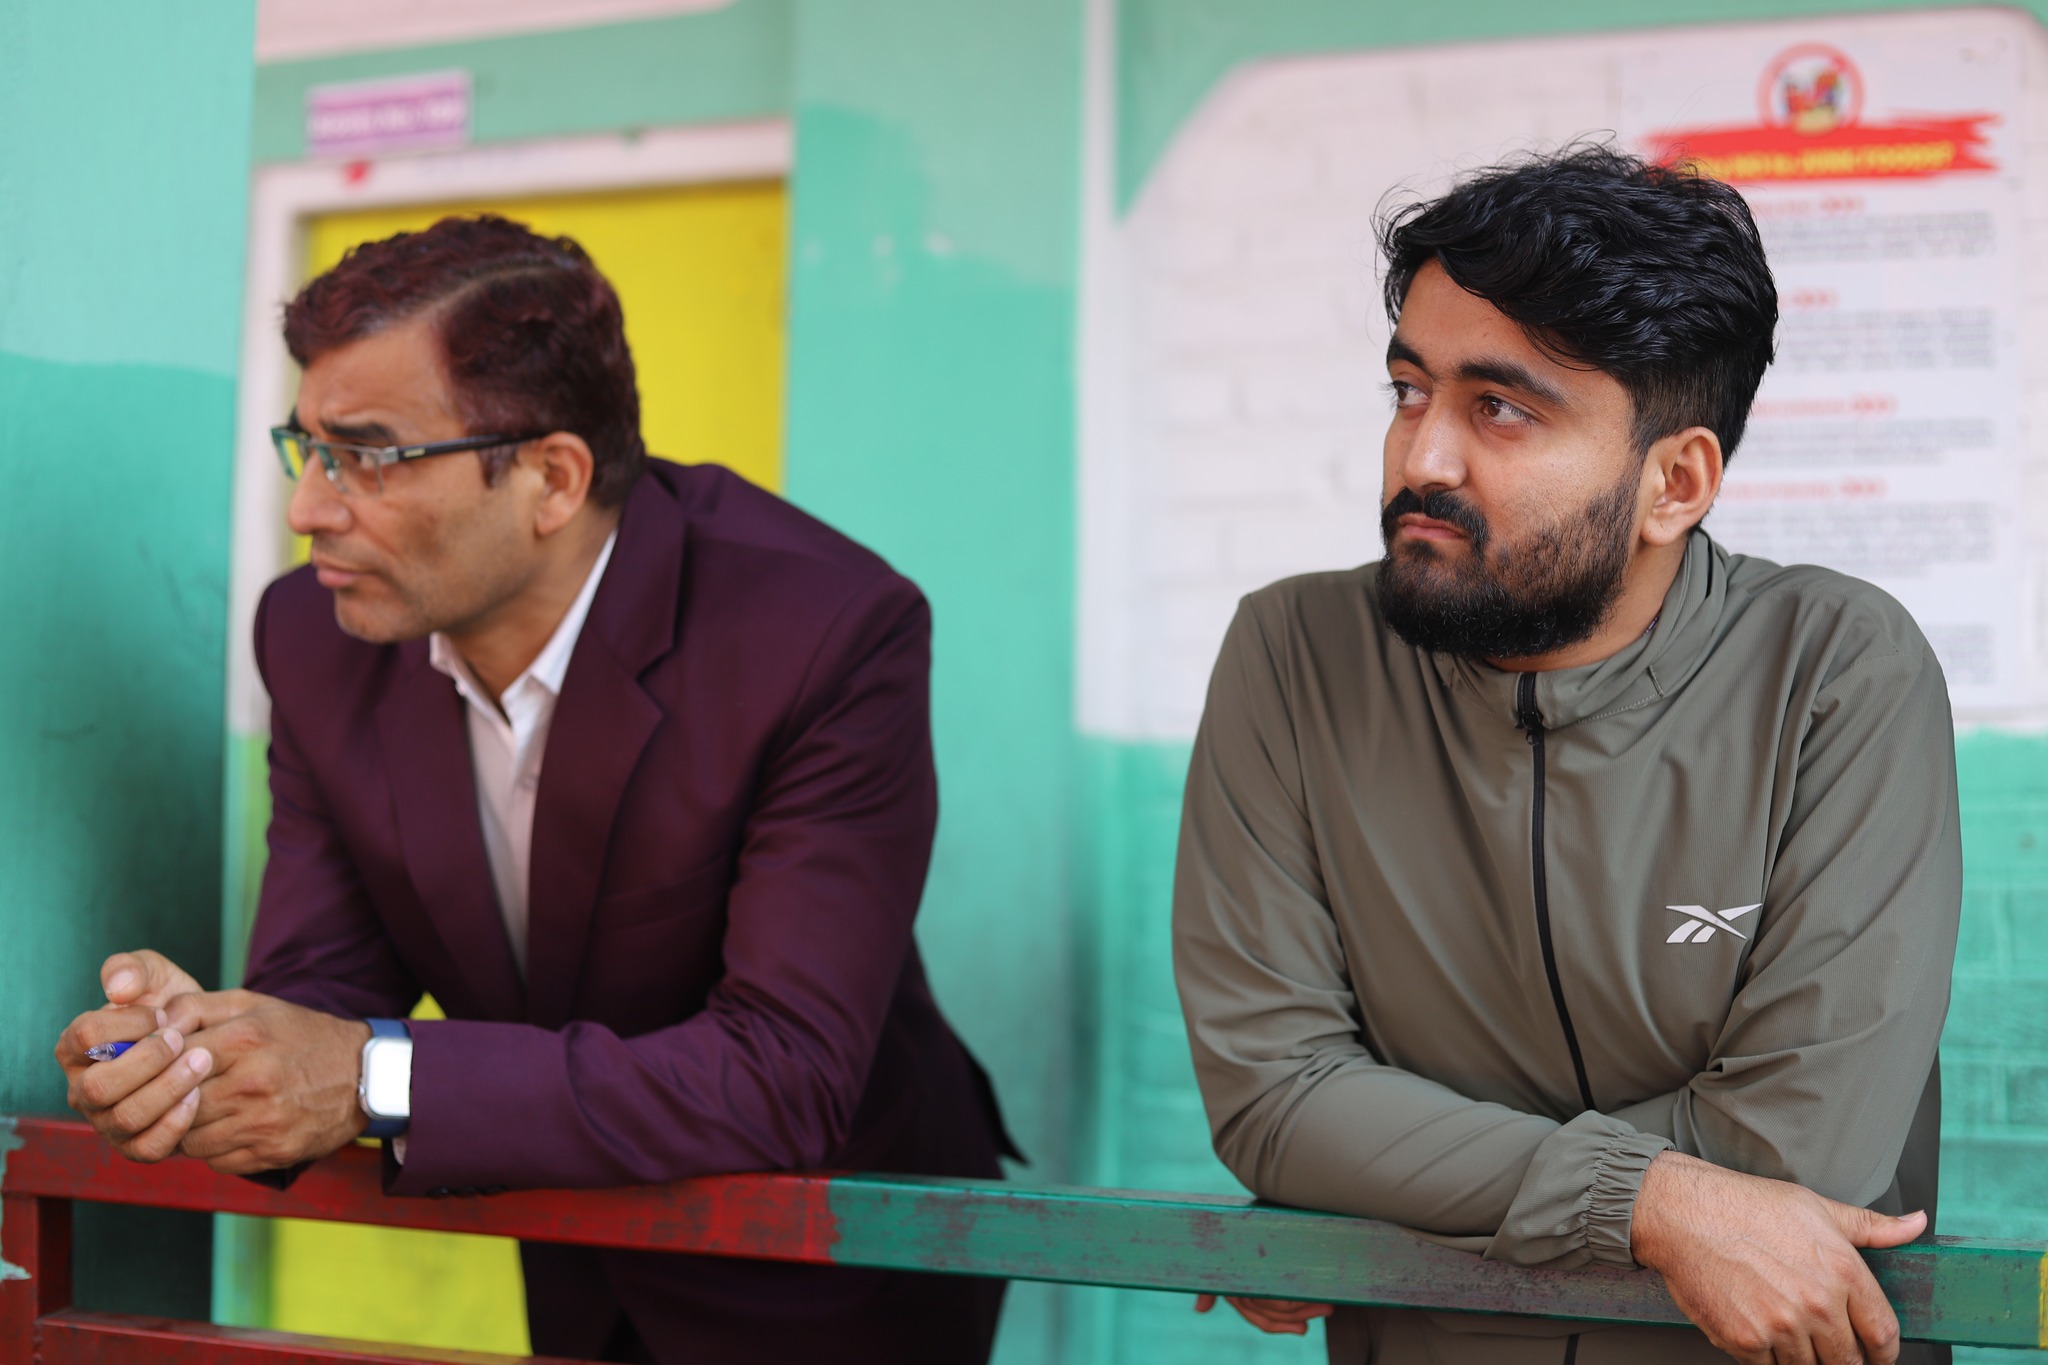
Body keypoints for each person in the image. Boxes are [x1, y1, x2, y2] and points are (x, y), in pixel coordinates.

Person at [54, 215, 1013, 1365]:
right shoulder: (316, 634)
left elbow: (783, 1069)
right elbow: (325, 990)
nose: (308, 509)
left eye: (368, 456)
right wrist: (197, 1056)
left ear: (551, 479)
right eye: (304, 447)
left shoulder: (824, 633)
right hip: (567, 1255)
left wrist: (373, 1076)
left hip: (827, 1273)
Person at [1173, 147, 1959, 1365]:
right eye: (1408, 392)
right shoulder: (1292, 654)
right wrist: (1658, 1203)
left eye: (1499, 408)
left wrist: (1379, 1176)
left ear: (1673, 484)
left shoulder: (1835, 670)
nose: (1421, 460)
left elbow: (1795, 1159)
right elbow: (1274, 1101)